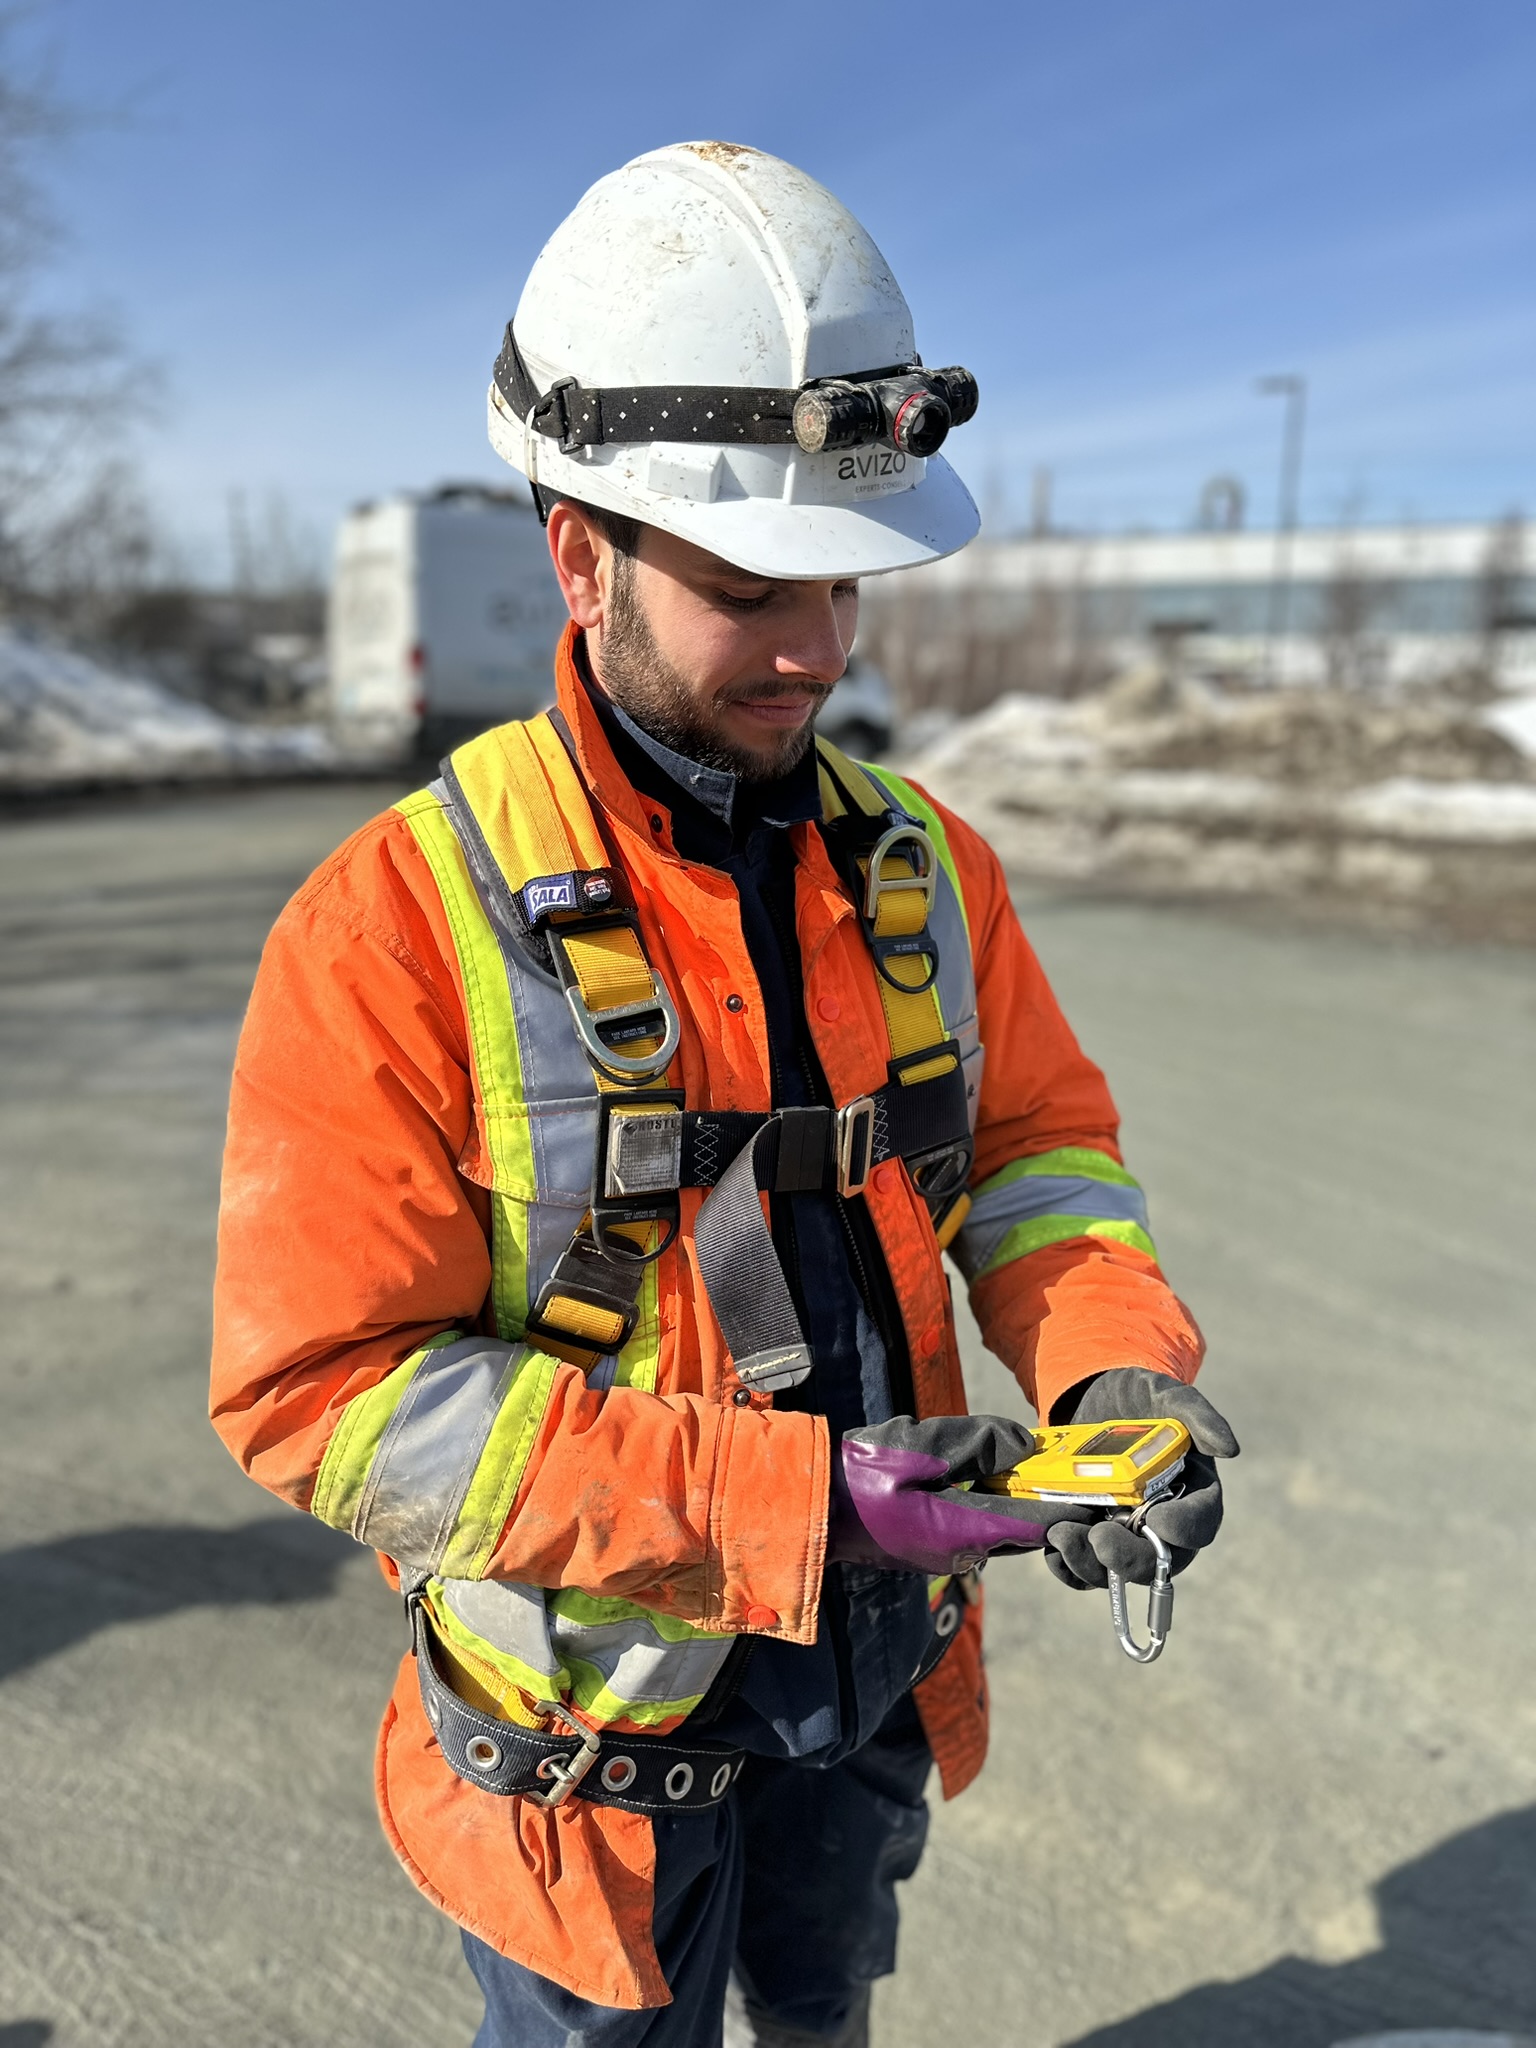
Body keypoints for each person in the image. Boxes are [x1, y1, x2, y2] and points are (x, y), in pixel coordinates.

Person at [210, 142, 1235, 2048]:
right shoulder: (391, 930)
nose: (819, 650)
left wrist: (1111, 1369)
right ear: (578, 545)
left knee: (825, 2018)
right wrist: (799, 1498)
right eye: (749, 583)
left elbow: (1037, 1162)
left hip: (865, 1704)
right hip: (592, 1767)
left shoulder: (924, 870)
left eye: (845, 578)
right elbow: (320, 1397)